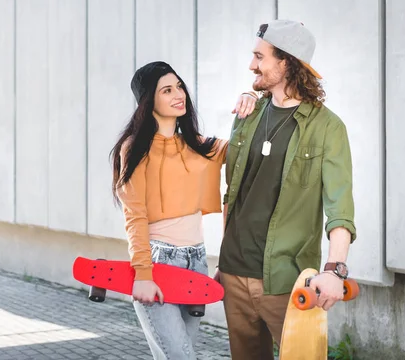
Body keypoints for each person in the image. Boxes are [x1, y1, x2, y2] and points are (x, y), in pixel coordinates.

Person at [215, 20, 357, 358]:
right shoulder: (247, 114)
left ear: (287, 63)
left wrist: (335, 270)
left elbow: (340, 209)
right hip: (234, 272)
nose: (252, 65)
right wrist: (224, 258)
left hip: (286, 279)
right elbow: (233, 192)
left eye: (259, 56)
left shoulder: (327, 128)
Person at [110, 61, 256, 359]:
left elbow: (244, 148)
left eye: (179, 87)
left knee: (180, 353)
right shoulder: (134, 147)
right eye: (167, 90)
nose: (179, 94)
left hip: (196, 261)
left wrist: (251, 99)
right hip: (158, 261)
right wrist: (143, 274)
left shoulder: (197, 145)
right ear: (149, 101)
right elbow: (134, 215)